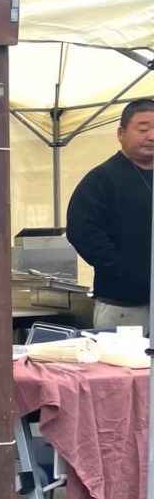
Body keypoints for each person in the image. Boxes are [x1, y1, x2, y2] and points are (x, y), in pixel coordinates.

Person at [66, 99, 154, 332]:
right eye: (143, 129)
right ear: (121, 134)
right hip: (123, 303)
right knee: (125, 357)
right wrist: (121, 268)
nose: (151, 136)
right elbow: (82, 231)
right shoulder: (102, 179)